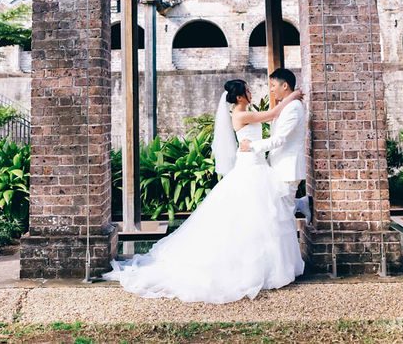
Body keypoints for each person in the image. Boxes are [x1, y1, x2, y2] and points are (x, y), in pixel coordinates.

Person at [101, 78, 305, 303]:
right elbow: (272, 114)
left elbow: (269, 115)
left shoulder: (247, 111)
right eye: (247, 89)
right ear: (239, 97)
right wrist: (292, 97)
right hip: (249, 168)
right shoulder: (240, 114)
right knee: (251, 218)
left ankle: (266, 267)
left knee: (261, 218)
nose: (251, 91)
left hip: (257, 167)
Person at [239, 67, 311, 224]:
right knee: (278, 211)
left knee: (283, 217)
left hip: (288, 169)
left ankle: (300, 206)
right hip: (279, 168)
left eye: (273, 85)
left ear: (284, 86)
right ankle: (301, 203)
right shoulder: (287, 106)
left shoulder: (293, 108)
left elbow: (279, 139)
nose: (271, 90)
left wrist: (252, 146)